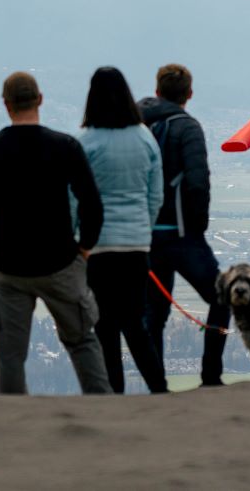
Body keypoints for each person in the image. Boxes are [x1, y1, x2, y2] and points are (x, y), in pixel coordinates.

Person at [0, 71, 112, 394]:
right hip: (61, 264)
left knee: (10, 355)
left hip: (7, 267)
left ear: (6, 105)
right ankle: (103, 414)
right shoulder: (64, 147)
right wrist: (84, 249)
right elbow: (92, 202)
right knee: (82, 342)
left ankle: (14, 427)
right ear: (40, 100)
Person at [76, 67, 169, 394]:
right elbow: (155, 194)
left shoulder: (85, 142)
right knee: (136, 324)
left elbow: (75, 199)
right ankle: (159, 388)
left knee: (105, 327)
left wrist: (79, 240)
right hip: (136, 246)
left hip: (97, 249)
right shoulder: (145, 138)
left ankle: (114, 394)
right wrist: (143, 227)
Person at [140, 63, 230, 387]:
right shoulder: (187, 127)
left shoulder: (136, 124)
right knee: (222, 297)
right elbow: (197, 181)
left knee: (153, 316)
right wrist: (197, 227)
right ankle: (210, 377)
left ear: (157, 90)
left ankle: (157, 387)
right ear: (189, 94)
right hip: (182, 236)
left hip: (144, 237)